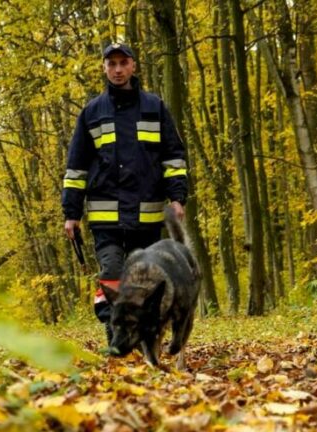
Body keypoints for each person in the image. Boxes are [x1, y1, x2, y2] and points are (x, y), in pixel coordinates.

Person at [61, 42, 189, 344]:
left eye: (123, 63)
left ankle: (143, 337)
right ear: (104, 68)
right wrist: (71, 214)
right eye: (112, 64)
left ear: (133, 66)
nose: (117, 70)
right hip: (105, 217)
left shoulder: (154, 107)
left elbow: (173, 158)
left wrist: (177, 198)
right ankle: (116, 338)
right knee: (112, 273)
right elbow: (76, 167)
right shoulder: (91, 112)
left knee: (143, 281)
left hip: (147, 215)